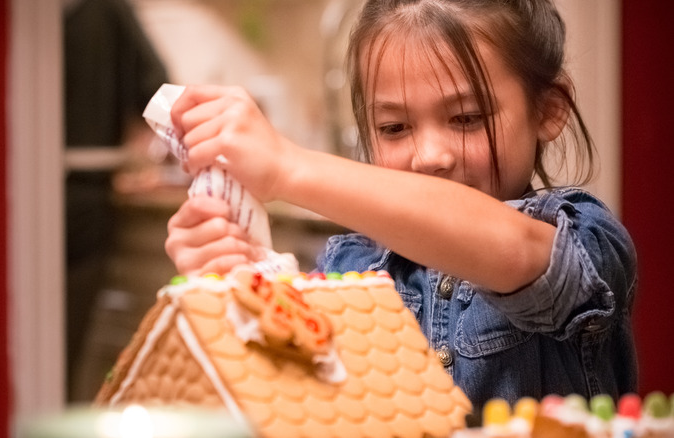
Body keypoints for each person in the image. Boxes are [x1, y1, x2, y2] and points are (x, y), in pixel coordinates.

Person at [163, 0, 637, 422]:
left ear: (548, 110)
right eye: (394, 127)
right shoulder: (349, 268)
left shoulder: (587, 240)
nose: (429, 154)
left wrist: (288, 167)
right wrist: (235, 283)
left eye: (467, 117)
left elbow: (514, 252)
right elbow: (292, 401)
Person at [63, 0, 168, 402]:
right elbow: (156, 87)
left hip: (82, 192)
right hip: (89, 194)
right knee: (64, 346)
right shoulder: (107, 9)